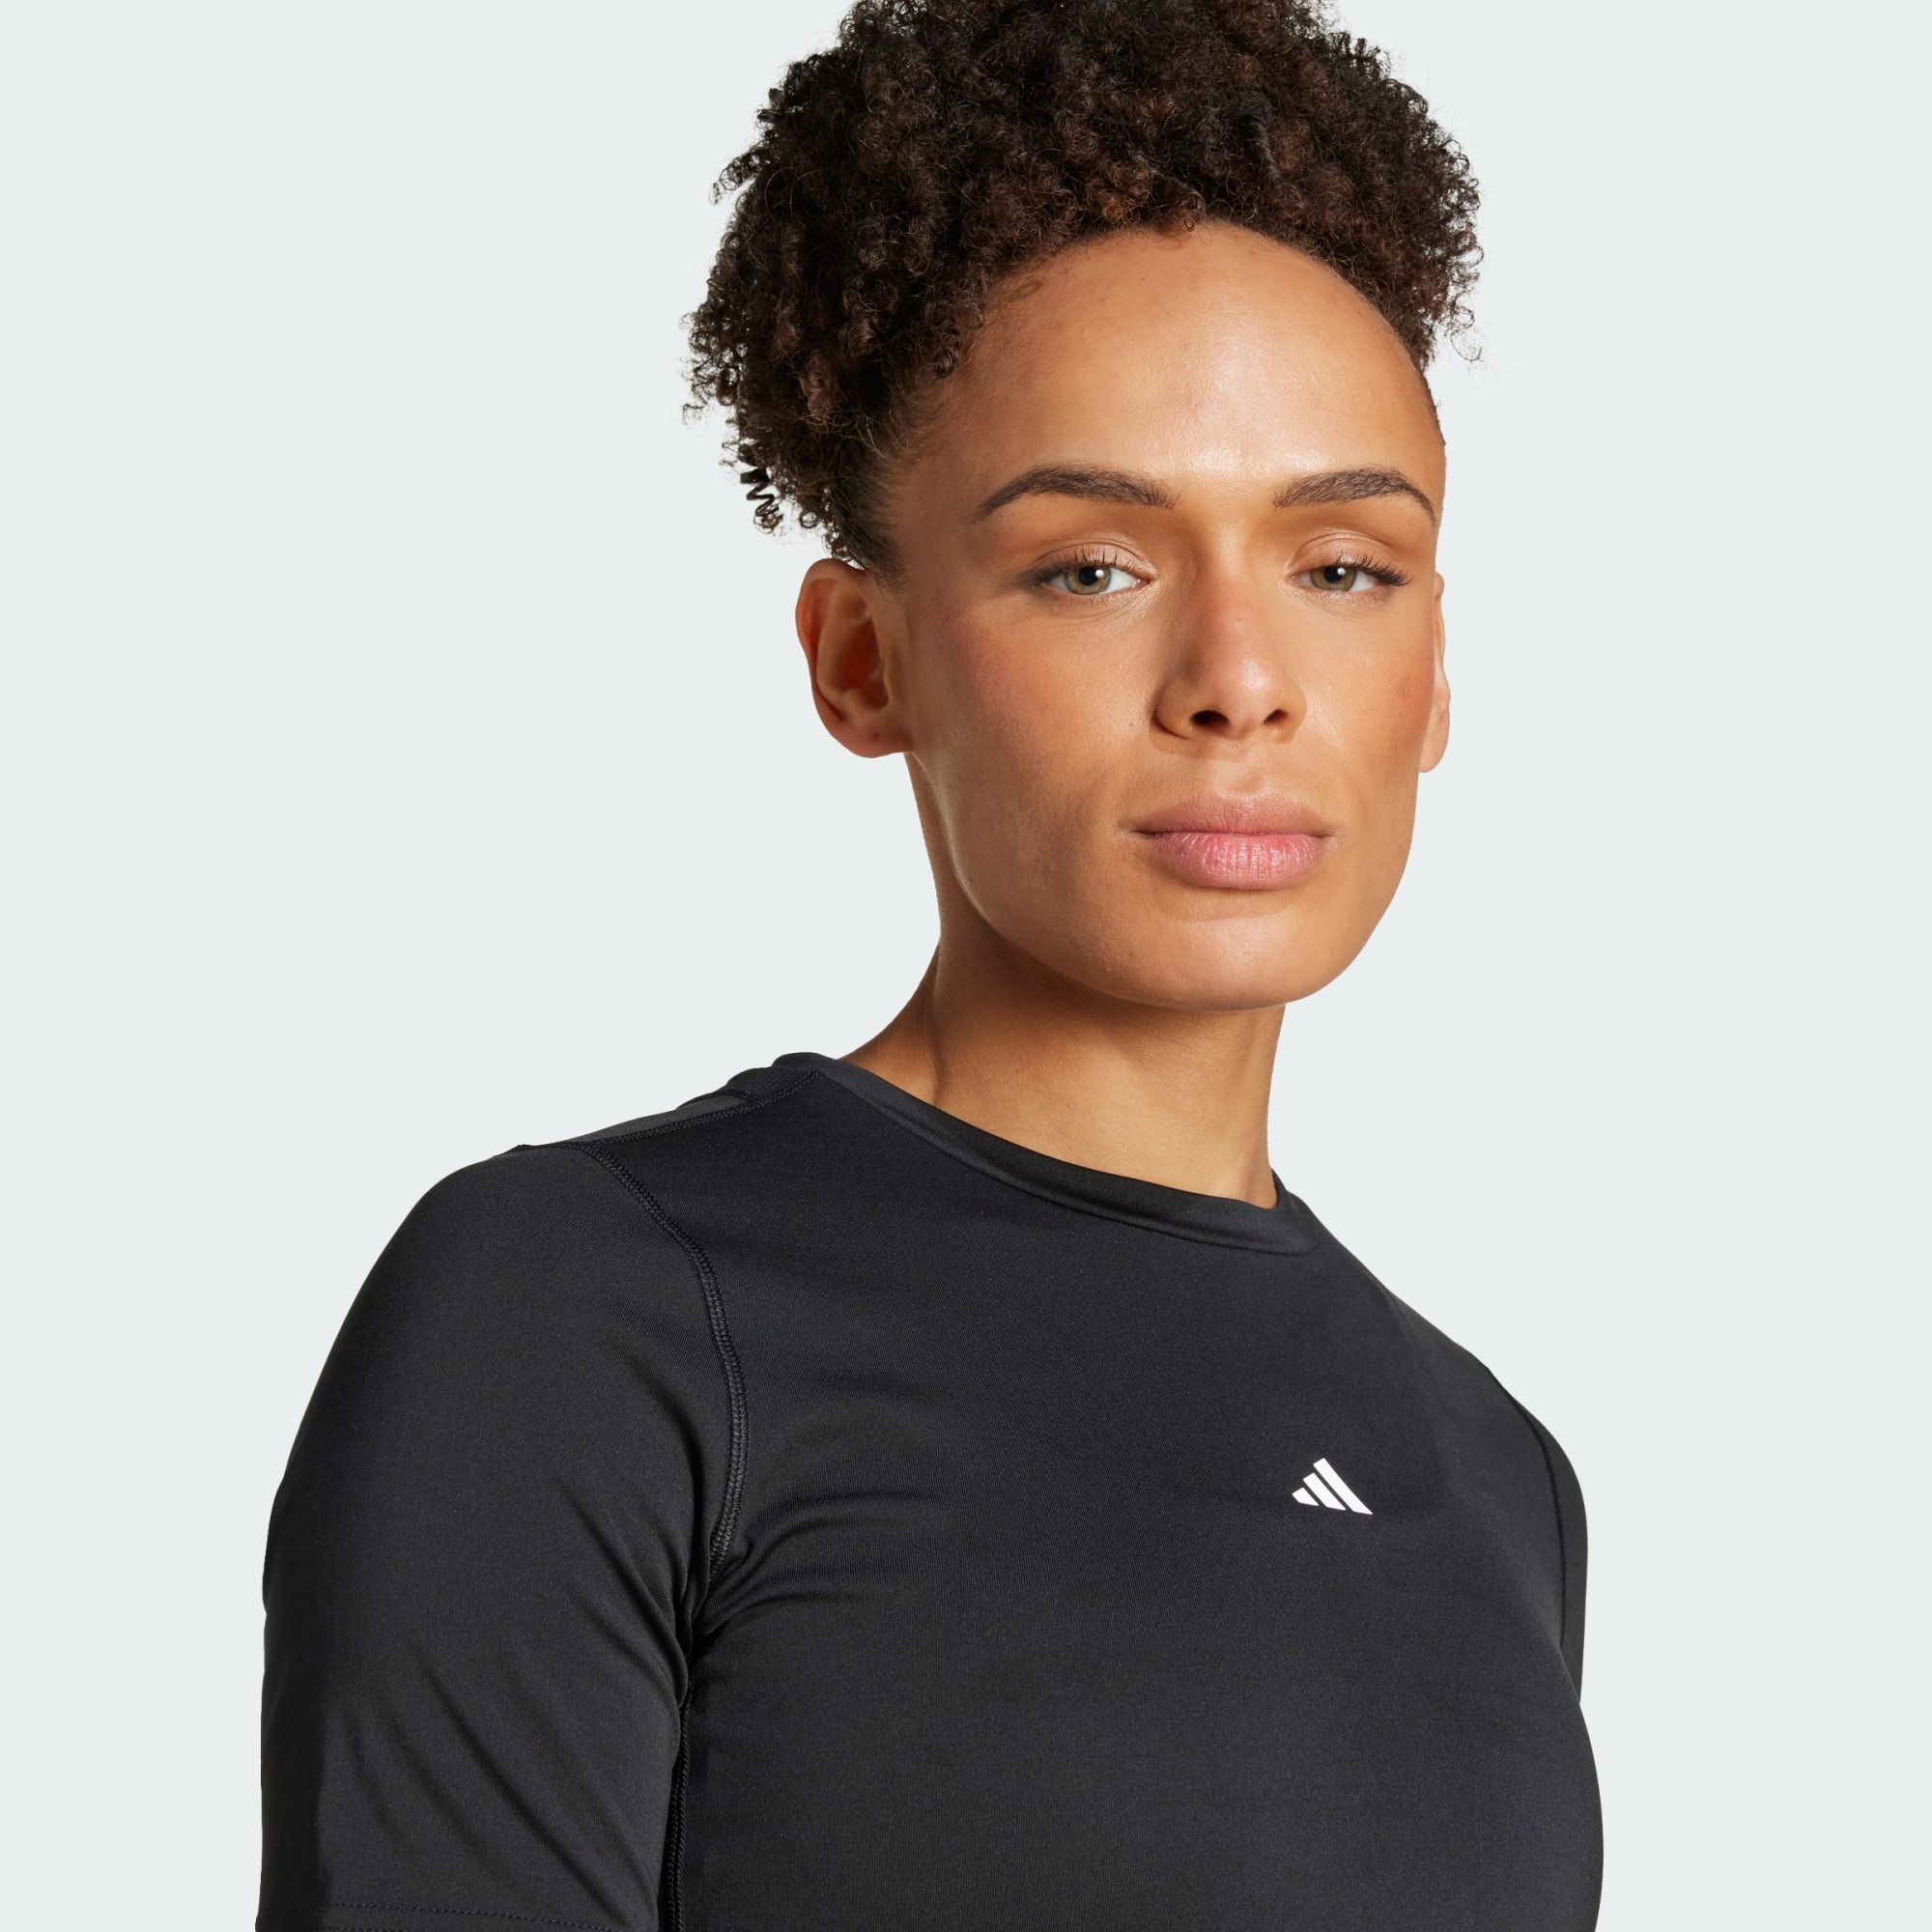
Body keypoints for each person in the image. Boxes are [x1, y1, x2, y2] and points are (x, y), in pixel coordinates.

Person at [258, 2, 1602, 1927]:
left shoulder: (1492, 1468)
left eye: (1340, 567)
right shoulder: (593, 1317)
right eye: (1092, 565)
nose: (1239, 680)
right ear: (860, 659)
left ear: (1436, 672)